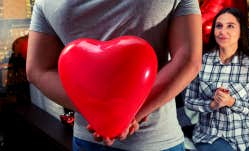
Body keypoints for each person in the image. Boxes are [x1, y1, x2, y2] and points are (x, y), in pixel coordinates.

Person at [26, 0, 202, 151]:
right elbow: (188, 60)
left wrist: (103, 116)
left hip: (87, 140)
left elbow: (38, 70)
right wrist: (125, 116)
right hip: (156, 141)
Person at [184, 7, 249, 151]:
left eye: (230, 26)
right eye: (219, 26)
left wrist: (232, 102)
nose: (222, 31)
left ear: (241, 32)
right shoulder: (201, 61)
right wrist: (212, 105)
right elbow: (189, 101)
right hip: (210, 136)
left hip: (247, 136)